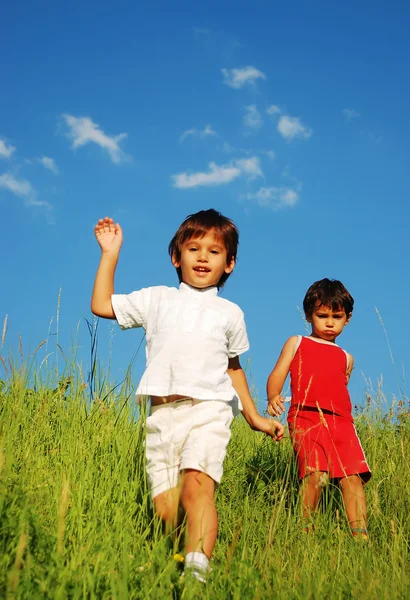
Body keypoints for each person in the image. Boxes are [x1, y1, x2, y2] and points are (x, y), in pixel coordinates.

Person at [91, 209, 284, 582]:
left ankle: (198, 572)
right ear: (176, 257)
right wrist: (110, 254)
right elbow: (101, 305)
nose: (202, 257)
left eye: (214, 252)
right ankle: (179, 562)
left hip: (209, 411)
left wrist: (253, 416)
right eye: (193, 248)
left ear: (229, 264)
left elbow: (233, 368)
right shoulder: (156, 299)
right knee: (167, 509)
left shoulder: (230, 313)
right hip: (161, 416)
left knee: (197, 488)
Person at [266, 278, 371, 539]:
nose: (329, 322)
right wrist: (273, 395)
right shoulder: (297, 342)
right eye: (321, 315)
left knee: (353, 477)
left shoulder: (347, 357)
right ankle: (306, 532)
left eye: (337, 316)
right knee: (315, 474)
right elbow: (277, 373)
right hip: (306, 416)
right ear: (309, 315)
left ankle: (361, 536)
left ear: (347, 318)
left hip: (342, 423)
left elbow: (340, 386)